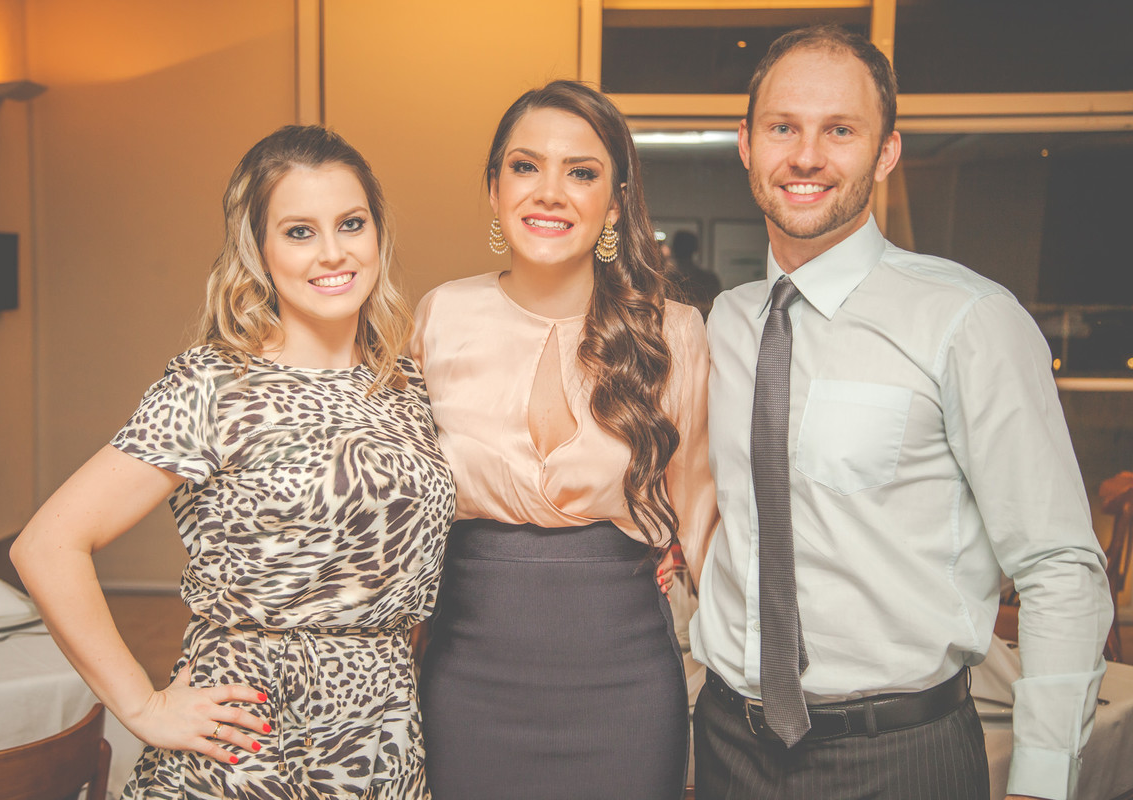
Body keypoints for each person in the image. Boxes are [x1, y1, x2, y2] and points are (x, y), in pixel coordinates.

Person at [690, 25, 1112, 800]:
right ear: (746, 144)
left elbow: (1059, 567)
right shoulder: (725, 323)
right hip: (727, 747)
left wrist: (1044, 780)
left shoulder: (970, 320)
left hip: (900, 758)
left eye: (839, 130)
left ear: (886, 153)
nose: (807, 156)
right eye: (783, 127)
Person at [11, 125, 455, 800]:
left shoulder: (404, 385)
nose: (333, 252)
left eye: (351, 223)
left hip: (382, 735)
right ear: (259, 250)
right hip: (247, 742)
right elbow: (47, 546)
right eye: (299, 232)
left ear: (377, 233)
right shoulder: (216, 385)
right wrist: (141, 706)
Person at [410, 80, 718, 800]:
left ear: (614, 204)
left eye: (580, 172)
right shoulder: (440, 316)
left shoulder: (673, 332)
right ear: (494, 188)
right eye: (526, 167)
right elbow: (400, 508)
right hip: (466, 674)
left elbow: (701, 521)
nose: (549, 192)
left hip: (626, 680)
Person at [671, 229, 721, 320]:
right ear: (695, 249)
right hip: (703, 324)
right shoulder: (709, 279)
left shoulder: (667, 280)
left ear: (673, 249)